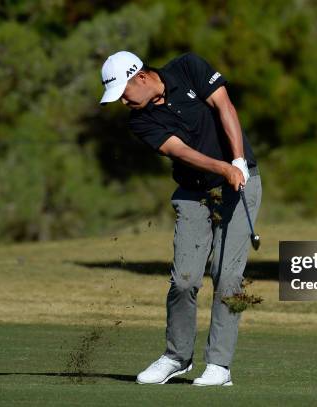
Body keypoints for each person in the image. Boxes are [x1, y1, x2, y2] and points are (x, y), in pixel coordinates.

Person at [99, 51, 261, 386]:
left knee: (227, 277)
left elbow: (225, 107)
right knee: (185, 280)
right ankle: (177, 357)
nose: (123, 102)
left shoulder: (189, 68)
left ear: (140, 77)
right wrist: (223, 167)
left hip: (240, 184)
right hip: (193, 192)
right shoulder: (139, 120)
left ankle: (219, 366)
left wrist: (239, 160)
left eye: (123, 93)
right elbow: (181, 153)